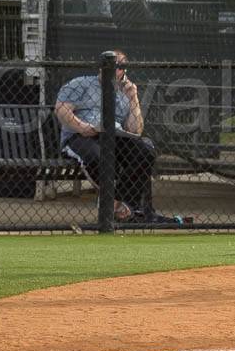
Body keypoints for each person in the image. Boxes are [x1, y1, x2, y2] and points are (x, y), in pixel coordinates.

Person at [54, 50, 174, 224]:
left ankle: (120, 204)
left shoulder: (126, 92)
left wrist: (133, 99)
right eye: (108, 65)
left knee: (145, 151)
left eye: (118, 67)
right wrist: (82, 127)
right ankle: (119, 206)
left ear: (123, 71)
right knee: (97, 156)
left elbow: (135, 130)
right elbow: (61, 110)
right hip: (81, 136)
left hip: (114, 136)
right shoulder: (80, 84)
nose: (112, 70)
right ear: (101, 67)